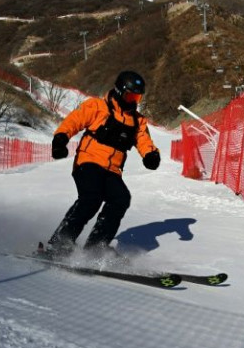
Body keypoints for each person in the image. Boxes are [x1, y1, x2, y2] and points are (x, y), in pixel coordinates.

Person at [47, 71, 161, 256]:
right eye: (130, 95)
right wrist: (60, 139)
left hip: (113, 170)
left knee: (121, 198)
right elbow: (74, 120)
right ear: (119, 91)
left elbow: (143, 140)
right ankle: (60, 243)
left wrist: (150, 155)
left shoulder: (137, 120)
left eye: (137, 97)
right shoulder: (98, 106)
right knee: (91, 198)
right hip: (88, 161)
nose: (133, 100)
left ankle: (96, 247)